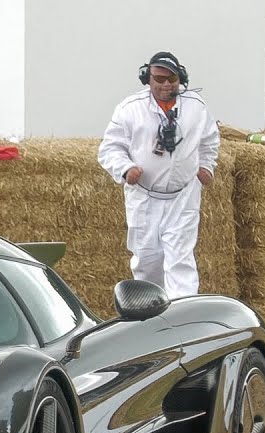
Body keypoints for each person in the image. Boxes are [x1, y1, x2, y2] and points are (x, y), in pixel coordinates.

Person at [98, 51, 220, 298]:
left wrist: (206, 166)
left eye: (171, 79)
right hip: (144, 197)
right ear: (148, 79)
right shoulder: (130, 109)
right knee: (148, 259)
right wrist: (125, 169)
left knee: (180, 259)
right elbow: (110, 148)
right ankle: (150, 313)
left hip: (183, 195)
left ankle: (182, 315)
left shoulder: (196, 106)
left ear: (180, 78)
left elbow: (209, 140)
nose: (166, 85)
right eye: (159, 79)